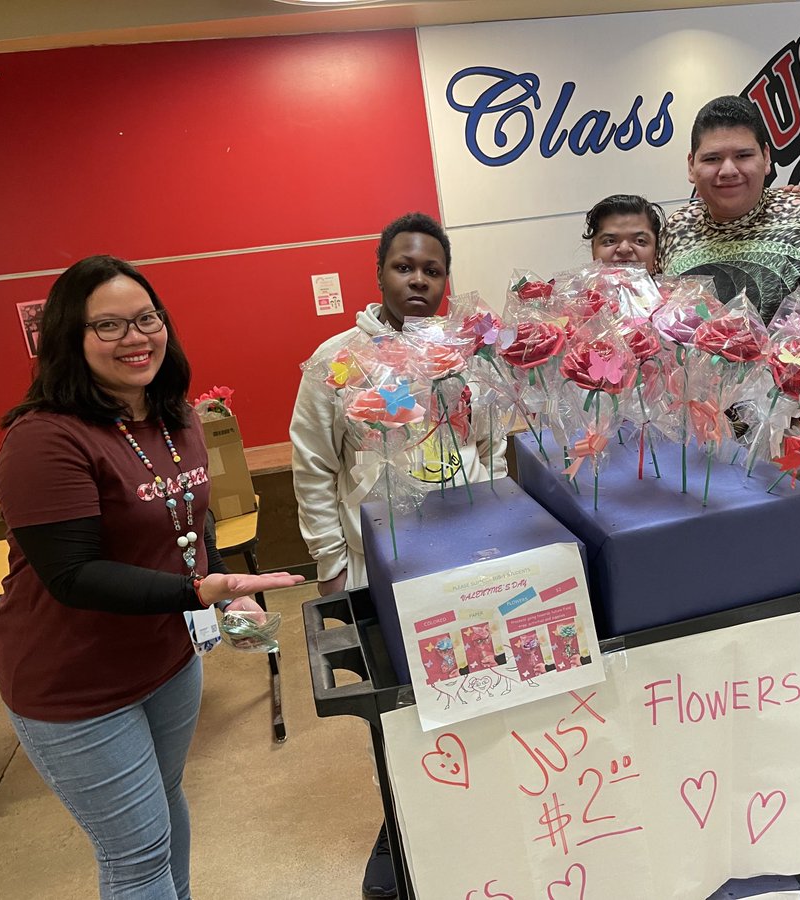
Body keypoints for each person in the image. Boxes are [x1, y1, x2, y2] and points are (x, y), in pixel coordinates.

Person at [0, 255, 303, 900]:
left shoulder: (176, 416)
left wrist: (225, 588)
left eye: (146, 319)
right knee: (135, 855)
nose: (134, 338)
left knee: (164, 808)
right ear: (68, 341)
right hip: (74, 684)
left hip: (164, 660)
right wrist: (195, 594)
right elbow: (72, 574)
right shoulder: (46, 439)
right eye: (107, 326)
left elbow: (194, 524)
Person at [290, 212, 507, 899]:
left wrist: (502, 535)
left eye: (433, 270)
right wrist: (332, 564)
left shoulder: (467, 353)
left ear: (447, 280)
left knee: (480, 696)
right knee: (402, 719)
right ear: (380, 272)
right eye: (404, 267)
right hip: (379, 572)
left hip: (468, 564)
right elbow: (313, 466)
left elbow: (494, 446)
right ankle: (408, 844)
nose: (419, 280)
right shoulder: (337, 360)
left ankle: (482, 836)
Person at [659, 94, 800, 321]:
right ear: (691, 166)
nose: (728, 170)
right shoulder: (673, 228)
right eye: (712, 159)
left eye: (743, 155)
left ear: (766, 157)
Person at [582, 193, 665, 274]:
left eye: (640, 241)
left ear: (656, 252)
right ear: (594, 250)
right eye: (610, 241)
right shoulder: (572, 287)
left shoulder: (673, 288)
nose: (624, 249)